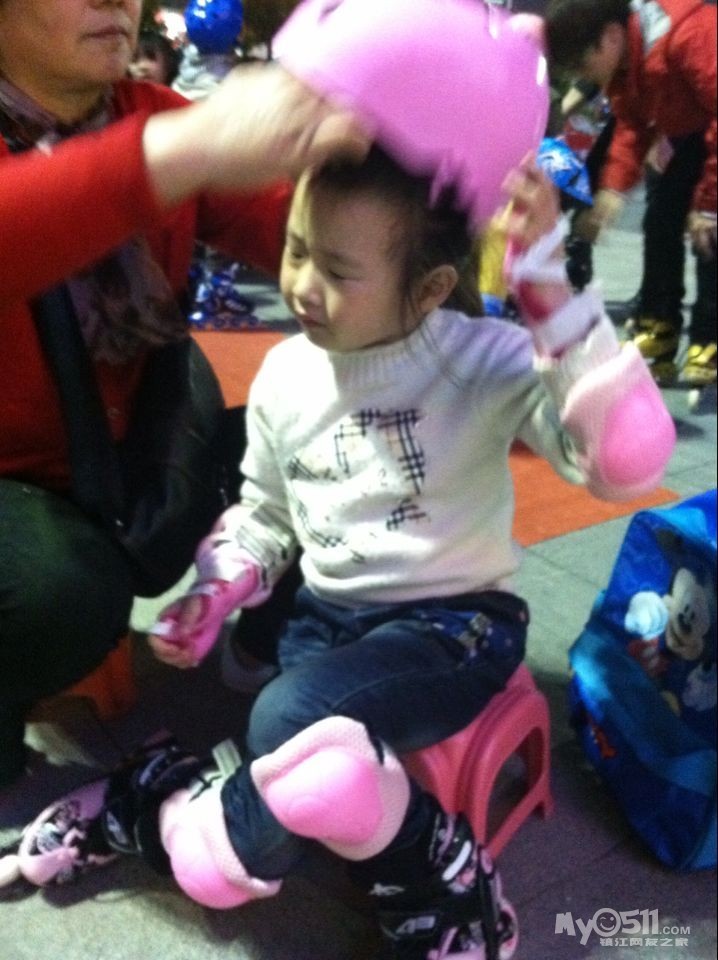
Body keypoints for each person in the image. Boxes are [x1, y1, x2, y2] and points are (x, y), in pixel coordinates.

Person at [2, 142, 677, 958]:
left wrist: (552, 297)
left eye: (337, 270)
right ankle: (175, 800)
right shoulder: (287, 374)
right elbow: (266, 513)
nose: (300, 285)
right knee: (306, 774)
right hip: (327, 624)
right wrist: (219, 587)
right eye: (295, 250)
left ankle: (428, 873)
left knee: (283, 730)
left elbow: (624, 457)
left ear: (430, 288)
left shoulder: (479, 358)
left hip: (455, 628)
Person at [0, 0, 368, 790]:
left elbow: (298, 230)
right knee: (58, 593)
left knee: (329, 448)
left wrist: (421, 200)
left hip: (129, 447)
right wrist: (184, 150)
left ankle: (261, 646)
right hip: (17, 487)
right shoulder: (168, 135)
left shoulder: (152, 116)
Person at [543, 0, 717, 387]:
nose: (585, 78)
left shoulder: (687, 34)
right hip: (687, 130)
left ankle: (709, 337)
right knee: (660, 220)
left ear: (610, 37)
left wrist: (708, 205)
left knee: (709, 235)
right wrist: (613, 189)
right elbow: (632, 125)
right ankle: (659, 326)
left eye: (583, 66)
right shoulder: (627, 63)